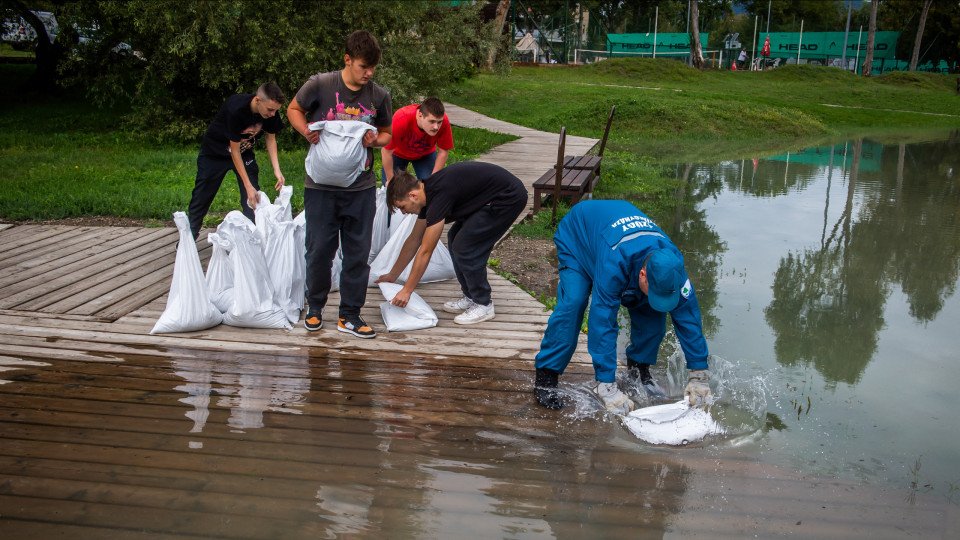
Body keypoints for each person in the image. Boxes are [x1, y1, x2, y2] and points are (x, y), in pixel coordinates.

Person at [533, 200, 712, 414]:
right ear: (643, 274)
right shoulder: (614, 264)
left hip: (618, 238)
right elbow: (603, 322)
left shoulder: (673, 266)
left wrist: (699, 373)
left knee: (652, 313)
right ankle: (546, 376)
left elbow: (689, 317)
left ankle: (638, 371)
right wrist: (607, 385)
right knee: (574, 302)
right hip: (579, 237)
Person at [286, 30, 393, 338]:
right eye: (363, 67)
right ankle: (315, 307)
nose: (369, 74)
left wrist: (376, 140)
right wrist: (305, 130)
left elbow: (387, 133)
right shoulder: (320, 84)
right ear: (347, 59)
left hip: (360, 188)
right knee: (319, 249)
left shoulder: (378, 95)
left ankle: (350, 314)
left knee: (358, 253)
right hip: (320, 187)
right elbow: (293, 109)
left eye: (373, 68)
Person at [377, 162, 527, 325]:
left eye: (402, 207)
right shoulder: (427, 195)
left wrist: (407, 291)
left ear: (413, 195)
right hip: (487, 198)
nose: (404, 212)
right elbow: (414, 239)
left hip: (507, 198)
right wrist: (393, 275)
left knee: (465, 247)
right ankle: (471, 296)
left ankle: (483, 303)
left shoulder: (439, 194)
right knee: (454, 237)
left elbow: (426, 251)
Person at [187, 82, 286, 240]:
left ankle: (252, 240)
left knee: (253, 198)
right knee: (202, 197)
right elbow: (234, 151)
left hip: (244, 153)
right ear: (257, 100)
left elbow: (270, 138)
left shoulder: (270, 111)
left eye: (276, 110)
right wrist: (247, 185)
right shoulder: (236, 109)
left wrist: (277, 170)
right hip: (215, 153)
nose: (273, 114)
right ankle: (188, 239)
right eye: (270, 110)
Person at [381, 97, 454, 184]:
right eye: (432, 121)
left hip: (426, 154)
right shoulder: (401, 118)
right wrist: (390, 181)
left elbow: (443, 151)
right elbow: (386, 151)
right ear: (420, 115)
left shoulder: (444, 121)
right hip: (397, 154)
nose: (436, 127)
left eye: (439, 122)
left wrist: (433, 180)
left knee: (430, 187)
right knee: (393, 190)